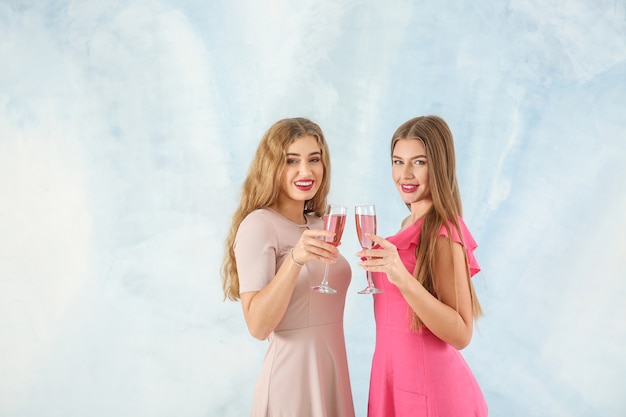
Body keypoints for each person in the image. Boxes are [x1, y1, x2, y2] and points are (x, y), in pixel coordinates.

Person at [221, 117, 355, 417]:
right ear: (271, 167)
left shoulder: (321, 224)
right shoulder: (258, 225)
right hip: (291, 385)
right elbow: (257, 326)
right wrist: (294, 260)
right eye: (291, 160)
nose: (305, 171)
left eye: (314, 159)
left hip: (333, 375)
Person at [357, 115, 488, 416]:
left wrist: (401, 277)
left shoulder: (443, 232)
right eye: (397, 161)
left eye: (419, 162)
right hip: (393, 382)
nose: (405, 174)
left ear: (438, 167)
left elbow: (461, 333)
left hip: (433, 393)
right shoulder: (408, 225)